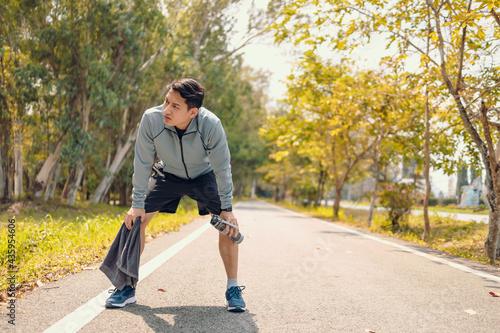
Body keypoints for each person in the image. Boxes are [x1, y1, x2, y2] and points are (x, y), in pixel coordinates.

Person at [104, 78, 245, 312]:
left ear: (193, 112)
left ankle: (233, 288)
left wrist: (227, 209)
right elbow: (142, 163)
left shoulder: (210, 124)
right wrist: (136, 205)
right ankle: (126, 287)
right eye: (166, 101)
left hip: (203, 176)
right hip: (167, 174)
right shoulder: (151, 119)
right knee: (135, 220)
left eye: (175, 106)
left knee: (228, 223)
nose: (166, 110)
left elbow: (223, 168)